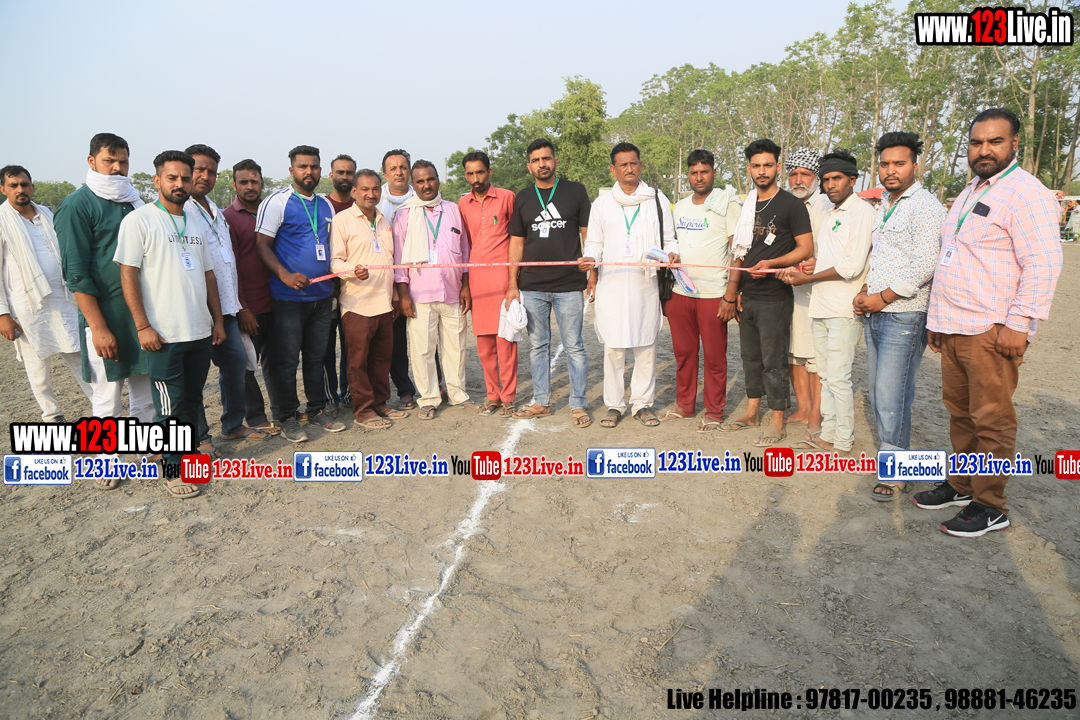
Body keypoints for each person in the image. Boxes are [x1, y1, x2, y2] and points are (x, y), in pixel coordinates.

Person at [918, 108, 1063, 537]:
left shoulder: (1026, 193)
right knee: (960, 415)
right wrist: (938, 319)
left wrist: (1020, 323)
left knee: (991, 418)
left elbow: (1043, 263)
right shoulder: (971, 190)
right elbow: (955, 257)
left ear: (1014, 143)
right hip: (954, 324)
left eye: (995, 141)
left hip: (992, 328)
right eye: (977, 142)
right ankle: (963, 486)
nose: (984, 150)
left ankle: (990, 505)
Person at [114, 150, 226, 498]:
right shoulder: (140, 220)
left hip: (199, 331)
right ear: (157, 180)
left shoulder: (194, 222)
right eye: (172, 178)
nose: (180, 184)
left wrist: (217, 321)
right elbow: (127, 276)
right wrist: (143, 326)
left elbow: (208, 275)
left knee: (191, 401)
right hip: (164, 334)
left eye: (185, 178)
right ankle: (173, 470)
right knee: (169, 407)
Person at [853, 132, 946, 500]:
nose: (890, 170)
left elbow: (926, 264)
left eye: (899, 163)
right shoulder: (885, 204)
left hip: (904, 314)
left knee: (892, 397)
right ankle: (894, 459)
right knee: (880, 393)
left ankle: (896, 472)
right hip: (877, 312)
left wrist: (882, 297)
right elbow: (882, 256)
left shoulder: (925, 206)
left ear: (915, 166)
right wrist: (867, 292)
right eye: (885, 164)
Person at [55, 133, 155, 432]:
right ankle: (106, 456)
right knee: (108, 398)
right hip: (105, 315)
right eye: (109, 161)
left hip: (140, 313)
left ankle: (147, 449)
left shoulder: (134, 201)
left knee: (146, 391)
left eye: (123, 162)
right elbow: (75, 274)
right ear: (91, 161)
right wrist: (98, 329)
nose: (117, 168)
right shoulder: (76, 205)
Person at [719, 139, 813, 447]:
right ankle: (751, 412)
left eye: (768, 165)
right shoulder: (745, 205)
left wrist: (773, 263)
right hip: (747, 297)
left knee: (774, 360)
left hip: (775, 297)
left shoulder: (791, 205)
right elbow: (738, 254)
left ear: (777, 167)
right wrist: (732, 292)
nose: (762, 171)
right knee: (750, 357)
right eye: (756, 166)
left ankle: (776, 418)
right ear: (749, 169)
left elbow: (805, 248)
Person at [780, 150, 874, 456]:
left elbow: (852, 266)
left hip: (844, 308)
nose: (831, 185)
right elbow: (828, 257)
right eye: (827, 179)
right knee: (825, 374)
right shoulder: (833, 214)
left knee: (839, 377)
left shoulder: (861, 212)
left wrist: (809, 277)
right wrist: (811, 266)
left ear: (852, 180)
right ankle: (827, 434)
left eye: (837, 178)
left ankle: (842, 440)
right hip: (821, 304)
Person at [579, 142, 679, 429]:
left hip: (644, 285)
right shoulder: (602, 204)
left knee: (646, 345)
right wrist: (590, 259)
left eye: (633, 163)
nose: (629, 169)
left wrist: (672, 254)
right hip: (612, 284)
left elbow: (669, 239)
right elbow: (594, 242)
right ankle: (614, 405)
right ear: (613, 169)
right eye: (623, 164)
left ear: (641, 165)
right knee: (614, 347)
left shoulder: (656, 200)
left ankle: (642, 404)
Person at [255, 145, 346, 441]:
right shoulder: (277, 202)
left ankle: (317, 409)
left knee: (317, 358)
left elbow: (328, 245)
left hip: (321, 297)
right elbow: (261, 245)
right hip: (288, 299)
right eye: (303, 166)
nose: (309, 172)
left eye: (314, 167)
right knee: (286, 361)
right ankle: (286, 417)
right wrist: (285, 275)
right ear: (291, 170)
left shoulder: (326, 205)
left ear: (321, 170)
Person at [184, 144, 269, 454]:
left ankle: (232, 425)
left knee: (235, 364)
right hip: (197, 308)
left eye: (211, 171)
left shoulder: (216, 213)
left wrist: (238, 304)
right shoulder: (180, 211)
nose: (205, 176)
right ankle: (200, 438)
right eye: (198, 169)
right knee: (194, 377)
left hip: (227, 307)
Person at [506, 139, 594, 428]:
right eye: (536, 160)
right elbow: (516, 243)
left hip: (569, 284)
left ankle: (578, 404)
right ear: (529, 166)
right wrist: (512, 284)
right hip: (532, 285)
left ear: (555, 161)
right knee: (538, 346)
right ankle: (541, 402)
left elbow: (588, 236)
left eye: (546, 158)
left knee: (574, 346)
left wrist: (592, 273)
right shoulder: (523, 197)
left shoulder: (575, 191)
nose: (541, 164)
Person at [0, 165, 95, 423]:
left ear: (32, 186)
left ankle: (100, 403)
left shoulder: (48, 214)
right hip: (26, 306)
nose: (20, 189)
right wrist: (3, 314)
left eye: (24, 184)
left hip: (62, 299)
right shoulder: (2, 220)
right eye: (13, 185)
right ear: (3, 189)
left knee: (79, 354)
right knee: (37, 367)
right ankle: (51, 414)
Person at [393, 160, 477, 419]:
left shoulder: (453, 210)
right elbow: (398, 259)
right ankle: (428, 399)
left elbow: (464, 251)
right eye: (420, 181)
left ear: (438, 180)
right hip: (420, 294)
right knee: (422, 350)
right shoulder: (404, 215)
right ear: (413, 184)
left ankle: (458, 394)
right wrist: (403, 295)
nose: (426, 185)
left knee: (456, 347)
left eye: (430, 179)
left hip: (453, 291)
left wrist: (465, 285)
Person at [664, 149, 741, 432]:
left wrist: (731, 294)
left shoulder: (727, 205)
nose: (699, 177)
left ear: (714, 173)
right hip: (680, 291)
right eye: (694, 172)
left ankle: (714, 411)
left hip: (713, 294)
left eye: (704, 172)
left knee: (715, 357)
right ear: (688, 174)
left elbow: (738, 251)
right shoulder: (680, 207)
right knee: (684, 353)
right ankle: (685, 406)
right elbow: (671, 243)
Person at [329, 169, 409, 429]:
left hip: (384, 303)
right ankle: (363, 410)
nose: (371, 194)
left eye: (375, 189)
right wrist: (352, 270)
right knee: (358, 361)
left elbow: (391, 262)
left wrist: (395, 297)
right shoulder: (342, 220)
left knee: (381, 358)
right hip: (357, 304)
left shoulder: (384, 220)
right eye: (365, 189)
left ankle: (381, 403)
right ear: (354, 191)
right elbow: (335, 261)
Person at [457, 150, 517, 416]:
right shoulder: (462, 204)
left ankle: (509, 396)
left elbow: (517, 239)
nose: (476, 178)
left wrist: (515, 280)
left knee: (506, 342)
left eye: (480, 172)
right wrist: (466, 284)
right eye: (470, 174)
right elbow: (465, 245)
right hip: (478, 282)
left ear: (489, 172)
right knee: (484, 345)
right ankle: (493, 395)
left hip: (504, 280)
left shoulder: (507, 198)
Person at [223, 159, 278, 435]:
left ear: (262, 183)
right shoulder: (228, 218)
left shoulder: (272, 212)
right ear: (234, 185)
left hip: (276, 302)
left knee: (276, 363)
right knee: (245, 367)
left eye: (254, 181)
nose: (250, 186)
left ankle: (282, 412)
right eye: (243, 182)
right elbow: (230, 267)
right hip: (248, 308)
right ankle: (255, 417)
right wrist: (242, 308)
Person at [784, 148, 828, 440]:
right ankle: (802, 408)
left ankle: (816, 412)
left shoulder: (826, 206)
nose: (799, 180)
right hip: (786, 288)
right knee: (793, 351)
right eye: (794, 174)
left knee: (814, 355)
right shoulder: (784, 203)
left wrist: (816, 264)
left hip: (817, 289)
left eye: (805, 174)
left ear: (817, 178)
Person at [376, 149, 419, 410]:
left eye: (403, 167)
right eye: (393, 168)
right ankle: (405, 389)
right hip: (385, 283)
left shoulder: (420, 198)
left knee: (425, 337)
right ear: (385, 174)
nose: (399, 172)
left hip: (419, 280)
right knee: (395, 341)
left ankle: (435, 385)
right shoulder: (375, 200)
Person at [322, 154, 357, 408]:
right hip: (326, 291)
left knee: (351, 347)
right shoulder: (322, 206)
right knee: (325, 349)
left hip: (354, 291)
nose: (345, 177)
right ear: (331, 175)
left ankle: (349, 393)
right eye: (340, 172)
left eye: (349, 172)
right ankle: (329, 398)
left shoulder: (360, 206)